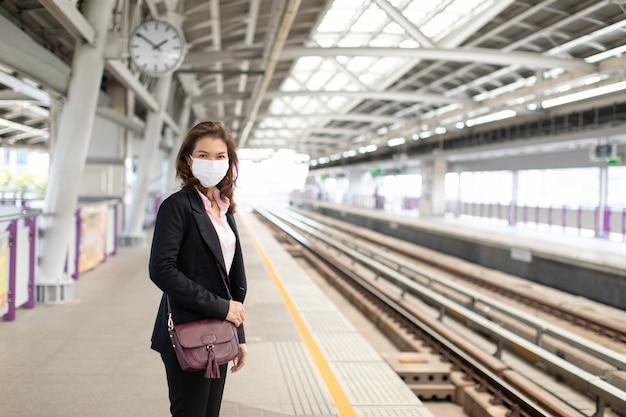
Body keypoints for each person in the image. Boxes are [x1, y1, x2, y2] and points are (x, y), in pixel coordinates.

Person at [148, 120, 248, 417]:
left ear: (229, 162)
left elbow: (229, 280)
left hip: (219, 331)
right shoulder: (177, 206)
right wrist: (222, 308)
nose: (212, 162)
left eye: (220, 156)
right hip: (188, 329)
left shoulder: (225, 208)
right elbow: (162, 270)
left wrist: (238, 334)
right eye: (203, 155)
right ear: (188, 160)